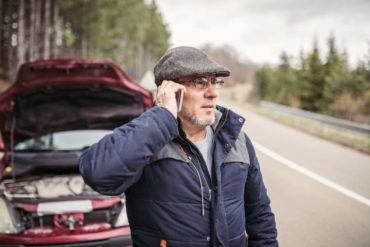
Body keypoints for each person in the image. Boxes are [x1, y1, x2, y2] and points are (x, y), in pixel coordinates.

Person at [79, 46, 278, 247]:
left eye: (214, 82)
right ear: (170, 90)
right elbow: (97, 174)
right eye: (200, 82)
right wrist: (163, 116)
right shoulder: (146, 140)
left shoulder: (237, 140)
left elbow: (259, 215)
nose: (213, 93)